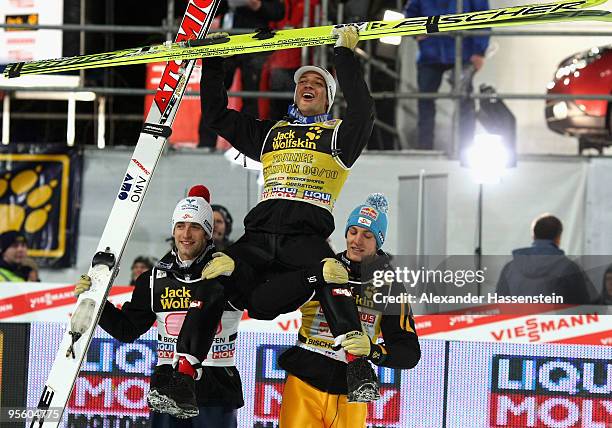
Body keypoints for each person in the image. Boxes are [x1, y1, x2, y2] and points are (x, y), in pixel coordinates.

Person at [149, 25, 377, 417]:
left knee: (332, 274)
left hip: (302, 241)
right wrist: (215, 61)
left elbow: (364, 111)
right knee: (214, 277)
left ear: (328, 97)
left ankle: (357, 368)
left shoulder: (339, 136)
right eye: (302, 81)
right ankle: (184, 376)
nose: (307, 84)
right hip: (257, 241)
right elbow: (218, 116)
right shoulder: (273, 133)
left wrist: (343, 57)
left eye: (317, 84)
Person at [75, 185, 244, 426]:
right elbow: (127, 330)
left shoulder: (226, 271)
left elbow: (265, 306)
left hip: (215, 389)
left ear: (207, 233)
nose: (186, 234)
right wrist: (95, 300)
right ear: (173, 230)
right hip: (166, 389)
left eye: (195, 226)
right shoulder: (153, 278)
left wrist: (241, 273)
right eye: (180, 226)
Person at [278, 193, 421, 428]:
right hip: (304, 381)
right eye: (353, 232)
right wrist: (308, 278)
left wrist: (373, 351)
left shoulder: (390, 286)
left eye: (368, 235)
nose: (357, 241)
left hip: (351, 390)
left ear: (379, 241)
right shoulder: (325, 269)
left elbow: (409, 352)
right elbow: (273, 302)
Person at [403, 0, 490, 151]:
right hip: (431, 54)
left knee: (464, 100)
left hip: (462, 52)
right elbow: (410, 13)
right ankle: (425, 148)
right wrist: (415, 29)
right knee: (426, 101)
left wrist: (479, 51)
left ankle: (465, 149)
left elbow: (483, 17)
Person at [496, 214, 593, 305]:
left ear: (533, 236)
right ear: (558, 238)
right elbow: (583, 308)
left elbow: (499, 306)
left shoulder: (510, 268)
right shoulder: (569, 268)